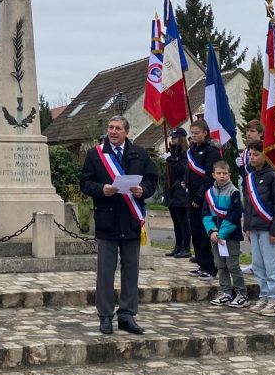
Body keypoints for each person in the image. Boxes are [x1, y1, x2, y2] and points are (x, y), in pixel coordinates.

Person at [79, 115, 158, 335]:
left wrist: (143, 190)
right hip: (107, 220)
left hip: (131, 220)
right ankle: (105, 316)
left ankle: (127, 314)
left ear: (126, 132)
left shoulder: (139, 154)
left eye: (117, 129)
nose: (113, 132)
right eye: (110, 128)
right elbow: (85, 183)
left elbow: (152, 179)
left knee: (131, 270)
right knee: (105, 272)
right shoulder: (95, 154)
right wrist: (102, 189)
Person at [241, 140, 275, 317]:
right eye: (250, 155)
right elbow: (248, 205)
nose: (252, 158)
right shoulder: (250, 177)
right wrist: (246, 226)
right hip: (254, 227)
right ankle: (265, 296)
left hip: (268, 228)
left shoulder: (273, 176)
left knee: (271, 266)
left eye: (256, 154)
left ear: (265, 156)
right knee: (258, 265)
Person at [205, 160, 248, 309]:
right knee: (220, 265)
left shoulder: (234, 192)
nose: (222, 176)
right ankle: (226, 292)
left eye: (225, 173)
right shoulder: (209, 193)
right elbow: (206, 214)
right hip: (215, 237)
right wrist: (212, 231)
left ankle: (242, 294)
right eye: (219, 173)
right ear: (213, 175)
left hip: (230, 237)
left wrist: (222, 233)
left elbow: (233, 216)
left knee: (233, 266)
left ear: (229, 174)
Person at [186, 119, 222, 279]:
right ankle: (202, 263)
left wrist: (199, 196)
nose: (193, 136)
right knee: (195, 231)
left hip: (205, 198)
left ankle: (210, 266)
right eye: (192, 133)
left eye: (196, 133)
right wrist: (185, 181)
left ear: (205, 133)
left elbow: (209, 177)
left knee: (205, 231)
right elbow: (189, 170)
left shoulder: (211, 151)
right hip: (191, 195)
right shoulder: (192, 150)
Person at [163, 128, 190, 258]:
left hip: (180, 191)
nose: (172, 140)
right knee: (175, 220)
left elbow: (182, 170)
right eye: (172, 138)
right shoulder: (173, 153)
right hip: (172, 191)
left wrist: (171, 160)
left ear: (181, 138)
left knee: (183, 220)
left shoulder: (185, 153)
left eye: (175, 138)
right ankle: (178, 245)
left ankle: (186, 247)